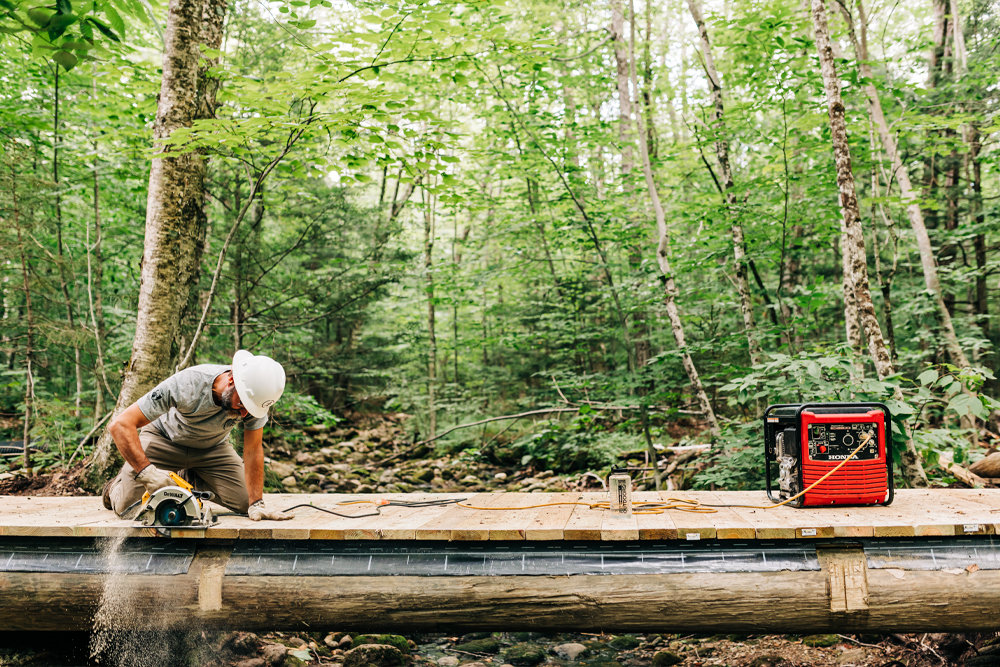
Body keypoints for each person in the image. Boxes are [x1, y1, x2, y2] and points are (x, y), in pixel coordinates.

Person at [102, 350, 294, 522]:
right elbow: (120, 425)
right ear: (232, 381)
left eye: (250, 409)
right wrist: (147, 473)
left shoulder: (254, 400)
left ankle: (185, 476)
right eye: (242, 405)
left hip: (212, 449)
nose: (245, 414)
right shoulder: (189, 383)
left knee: (246, 502)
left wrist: (257, 503)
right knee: (128, 509)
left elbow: (253, 449)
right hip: (164, 439)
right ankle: (114, 488)